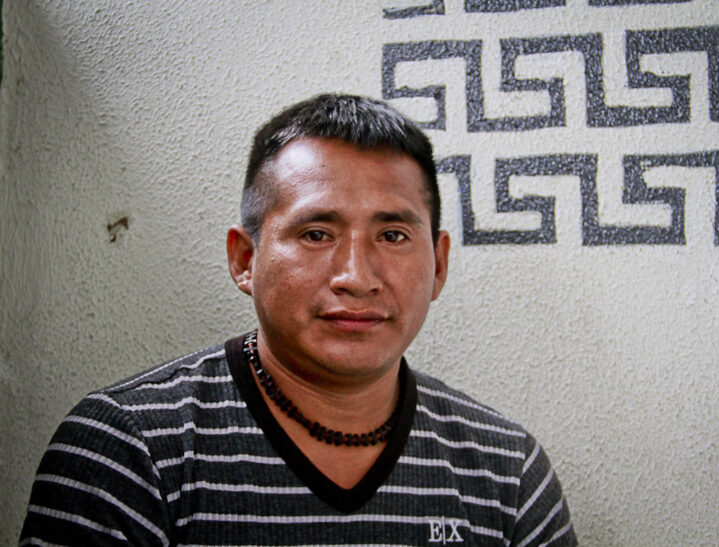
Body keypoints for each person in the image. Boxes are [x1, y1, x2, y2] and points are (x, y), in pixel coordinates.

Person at [20, 94, 577, 546]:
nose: (356, 277)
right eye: (316, 234)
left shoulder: (507, 473)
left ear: (438, 265)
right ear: (245, 259)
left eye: (392, 235)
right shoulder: (129, 448)